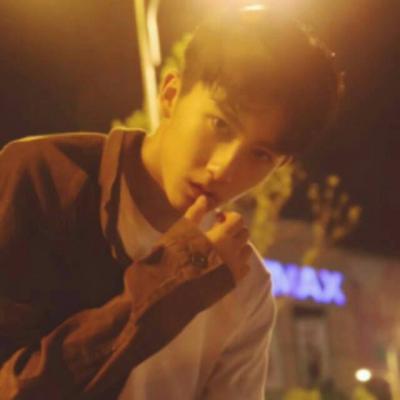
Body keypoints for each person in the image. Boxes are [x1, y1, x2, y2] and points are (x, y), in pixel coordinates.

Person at [0, 6, 342, 399]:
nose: (223, 168)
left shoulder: (244, 284)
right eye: (220, 124)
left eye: (260, 154)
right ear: (171, 94)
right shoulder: (47, 177)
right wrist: (171, 284)